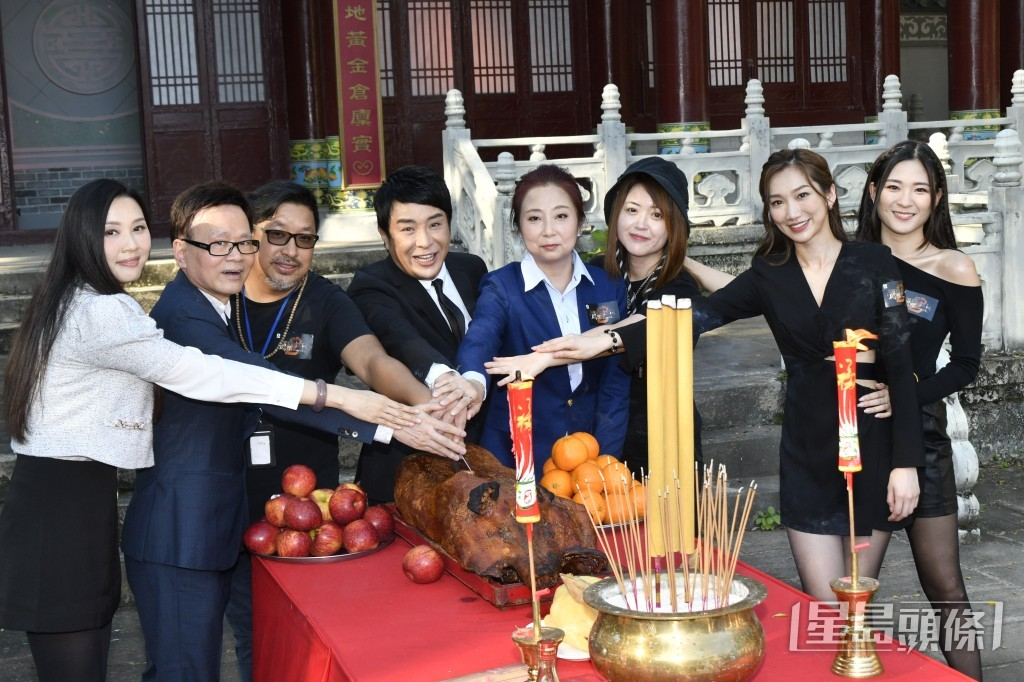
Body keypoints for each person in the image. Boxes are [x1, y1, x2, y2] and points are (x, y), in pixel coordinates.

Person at [0, 179, 396, 682]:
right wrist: (338, 397)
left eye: (139, 228)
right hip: (80, 514)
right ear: (182, 252)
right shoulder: (117, 311)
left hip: (85, 502)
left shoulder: (84, 300)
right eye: (111, 232)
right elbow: (208, 373)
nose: (131, 244)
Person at [533, 149, 924, 602]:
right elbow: (690, 316)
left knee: (857, 602)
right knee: (825, 604)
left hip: (871, 445)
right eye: (777, 202)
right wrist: (601, 341)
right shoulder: (770, 275)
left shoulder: (876, 263)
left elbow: (900, 359)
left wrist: (906, 463)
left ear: (831, 195)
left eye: (802, 195)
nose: (792, 212)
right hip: (806, 451)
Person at [120, 181, 465, 682]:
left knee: (271, 650)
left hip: (267, 513)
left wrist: (416, 413)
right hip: (187, 526)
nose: (239, 255)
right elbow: (256, 382)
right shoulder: (186, 312)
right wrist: (371, 414)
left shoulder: (269, 299)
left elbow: (370, 358)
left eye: (304, 240)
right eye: (225, 244)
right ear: (182, 251)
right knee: (184, 669)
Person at [488, 157, 703, 475]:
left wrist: (544, 358)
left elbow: (632, 328)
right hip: (598, 435)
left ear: (674, 225)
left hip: (661, 435)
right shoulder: (600, 271)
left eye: (657, 215)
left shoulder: (680, 288)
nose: (640, 224)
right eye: (631, 210)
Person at [856, 140, 983, 680]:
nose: (905, 201)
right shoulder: (847, 261)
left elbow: (967, 366)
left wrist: (907, 390)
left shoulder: (954, 267)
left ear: (936, 199)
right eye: (894, 187)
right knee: (851, 595)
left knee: (947, 588)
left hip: (925, 444)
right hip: (858, 441)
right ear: (874, 192)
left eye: (920, 189)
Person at [455, 164, 630, 476]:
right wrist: (472, 381)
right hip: (515, 453)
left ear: (579, 222)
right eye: (534, 218)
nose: (549, 230)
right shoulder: (502, 287)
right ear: (519, 227)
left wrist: (604, 457)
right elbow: (480, 336)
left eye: (561, 216)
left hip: (588, 451)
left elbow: (615, 380)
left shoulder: (607, 286)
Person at [348, 165, 488, 503]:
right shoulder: (370, 285)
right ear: (385, 235)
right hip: (408, 469)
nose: (424, 243)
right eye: (407, 229)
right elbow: (401, 339)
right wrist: (445, 379)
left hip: (483, 457)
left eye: (435, 225)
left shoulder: (471, 268)